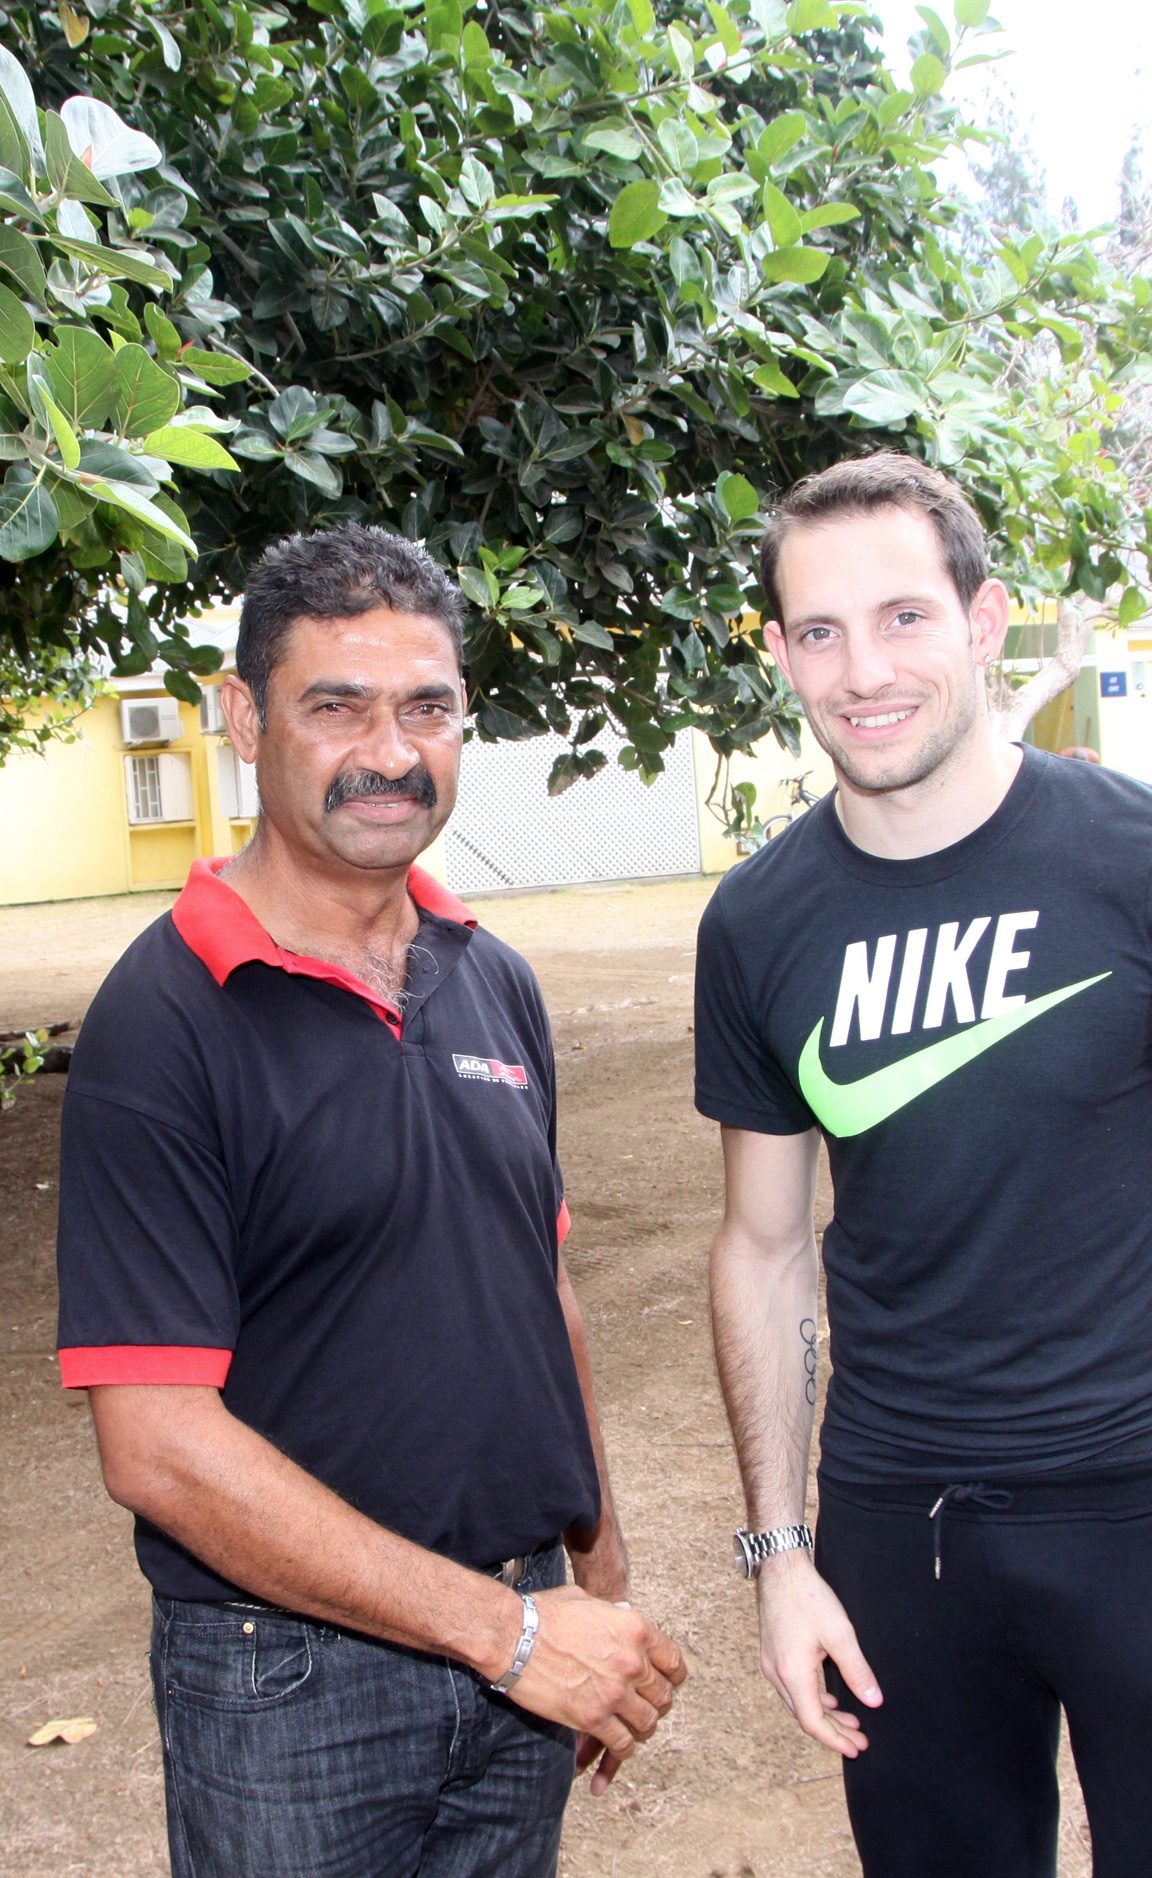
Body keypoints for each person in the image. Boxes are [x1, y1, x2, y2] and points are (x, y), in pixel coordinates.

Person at [694, 453, 1152, 1876]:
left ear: (984, 618)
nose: (862, 671)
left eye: (902, 617)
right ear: (778, 652)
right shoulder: (757, 922)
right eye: (819, 631)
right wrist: (781, 1555)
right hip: (902, 1529)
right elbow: (760, 1249)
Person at [57, 523, 685, 1878]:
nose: (389, 753)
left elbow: (540, 1288)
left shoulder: (491, 976)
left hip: (523, 1633)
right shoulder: (163, 1020)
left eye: (427, 708)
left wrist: (598, 1573)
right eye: (336, 707)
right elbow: (155, 1444)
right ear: (245, 721)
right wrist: (511, 1635)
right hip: (292, 1680)